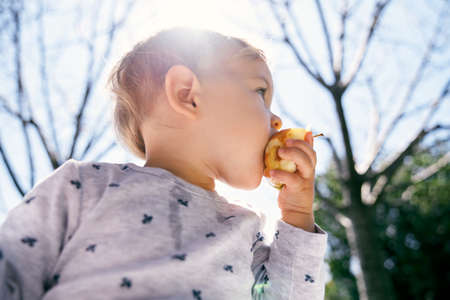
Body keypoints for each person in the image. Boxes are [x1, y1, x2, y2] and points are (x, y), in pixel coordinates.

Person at [0, 26, 328, 300]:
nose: (277, 119)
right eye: (260, 91)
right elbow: (11, 271)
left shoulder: (245, 228)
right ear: (188, 94)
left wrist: (298, 217)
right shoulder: (83, 185)